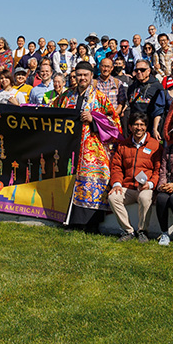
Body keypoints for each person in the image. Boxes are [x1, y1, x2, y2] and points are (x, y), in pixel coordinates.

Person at [54, 61, 121, 229]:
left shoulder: (99, 97)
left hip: (93, 148)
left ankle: (90, 223)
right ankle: (67, 220)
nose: (82, 78)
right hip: (69, 147)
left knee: (92, 179)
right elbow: (51, 111)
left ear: (92, 76)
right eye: (79, 75)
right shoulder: (65, 96)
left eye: (85, 75)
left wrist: (94, 119)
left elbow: (115, 123)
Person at [107, 116, 162, 243]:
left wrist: (150, 184)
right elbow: (116, 167)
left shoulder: (155, 145)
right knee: (113, 197)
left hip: (145, 187)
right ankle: (128, 231)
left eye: (142, 124)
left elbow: (158, 169)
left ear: (146, 127)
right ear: (130, 127)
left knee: (144, 197)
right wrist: (116, 184)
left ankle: (142, 231)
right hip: (127, 187)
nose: (139, 128)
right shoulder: (123, 145)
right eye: (136, 124)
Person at [121, 59, 168, 132]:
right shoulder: (132, 87)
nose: (139, 72)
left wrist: (155, 128)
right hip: (135, 126)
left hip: (149, 126)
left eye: (142, 70)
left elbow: (159, 109)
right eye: (137, 70)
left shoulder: (157, 86)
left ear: (149, 71)